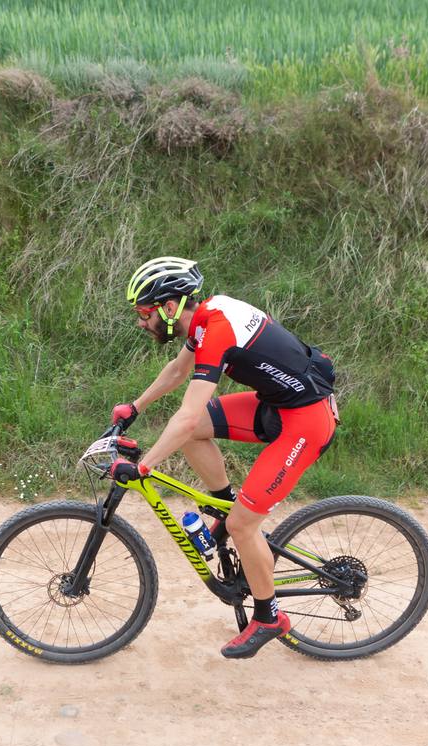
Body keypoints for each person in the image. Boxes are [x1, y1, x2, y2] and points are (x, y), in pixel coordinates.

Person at [109, 256, 338, 659]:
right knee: (201, 443)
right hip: (277, 407)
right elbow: (178, 372)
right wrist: (135, 406)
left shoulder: (216, 330)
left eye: (144, 313)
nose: (140, 323)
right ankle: (226, 509)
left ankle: (269, 617)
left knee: (244, 524)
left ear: (168, 307)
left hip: (304, 423)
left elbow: (188, 414)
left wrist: (144, 468)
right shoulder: (204, 318)